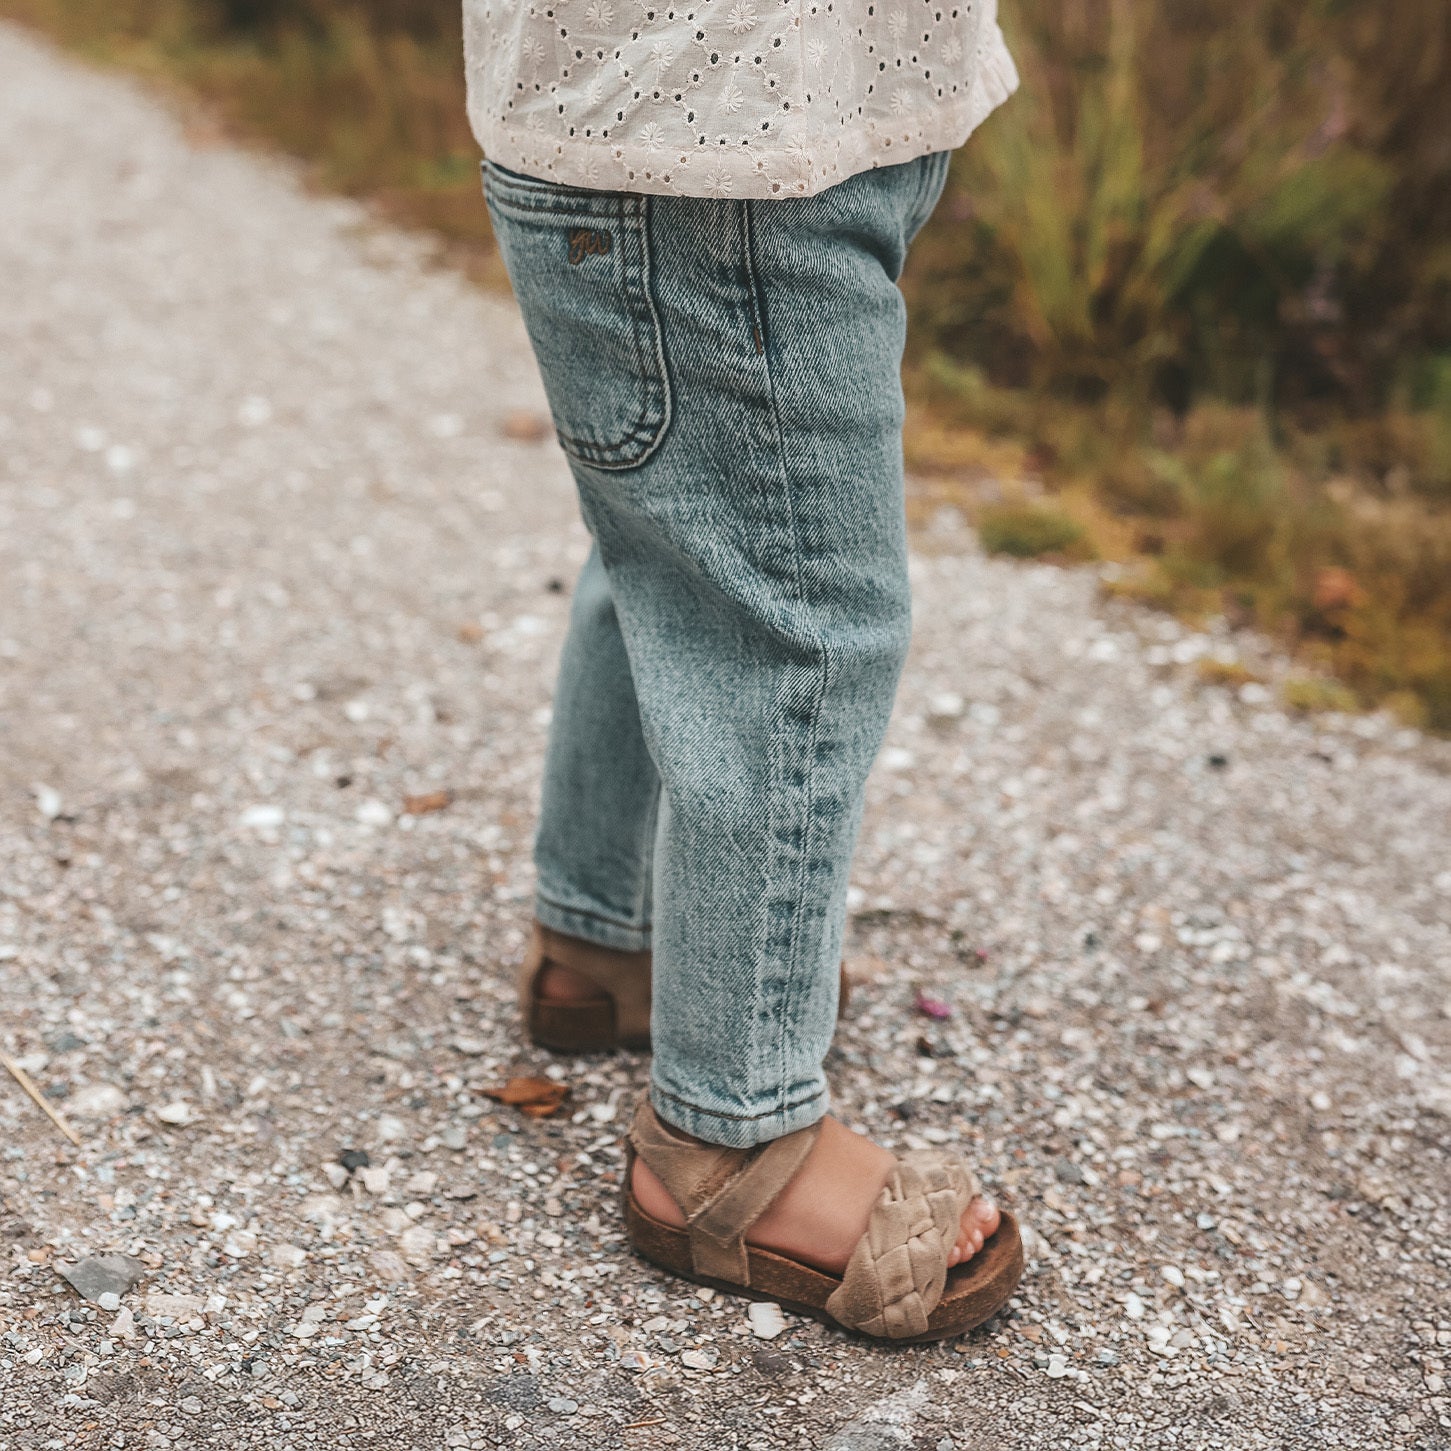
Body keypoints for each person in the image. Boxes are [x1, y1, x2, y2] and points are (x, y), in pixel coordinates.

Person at [463, 0, 1025, 1341]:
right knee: (791, 618)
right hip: (723, 139)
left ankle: (608, 940)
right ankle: (731, 1142)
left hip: (704, 117)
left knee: (682, 546)